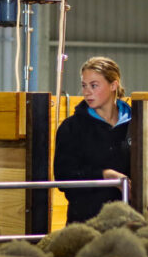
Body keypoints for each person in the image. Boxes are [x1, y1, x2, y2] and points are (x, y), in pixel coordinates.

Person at [53, 57, 131, 224]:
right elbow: (63, 176)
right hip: (86, 223)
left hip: (128, 222)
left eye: (94, 85)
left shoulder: (136, 125)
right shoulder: (71, 128)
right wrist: (103, 175)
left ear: (113, 85)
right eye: (84, 85)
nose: (86, 92)